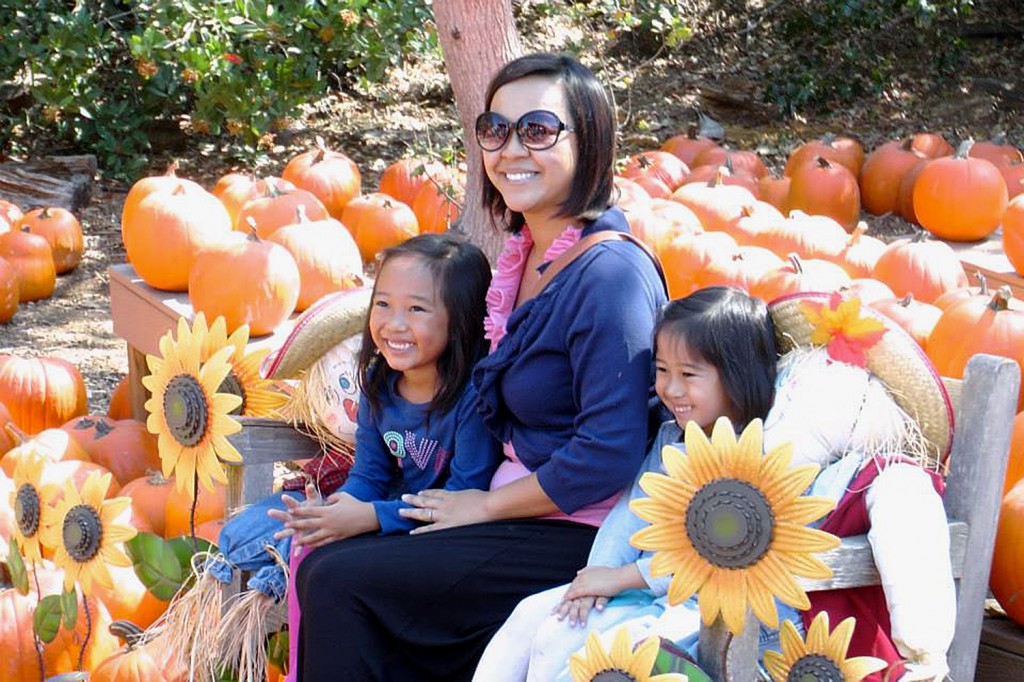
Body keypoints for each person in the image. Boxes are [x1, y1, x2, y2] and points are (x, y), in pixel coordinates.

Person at [288, 51, 667, 681]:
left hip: (576, 531)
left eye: (538, 129)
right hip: (503, 504)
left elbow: (610, 450)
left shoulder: (610, 276)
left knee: (342, 582)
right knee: (325, 560)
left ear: (590, 141)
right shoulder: (526, 257)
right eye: (495, 129)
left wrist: (479, 508)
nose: (511, 148)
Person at [182, 232, 501, 681]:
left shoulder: (471, 399)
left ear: (462, 320)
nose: (393, 323)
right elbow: (369, 473)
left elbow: (462, 497)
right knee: (275, 533)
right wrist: (339, 510)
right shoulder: (379, 383)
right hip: (388, 507)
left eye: (417, 309)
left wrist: (369, 517)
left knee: (329, 563)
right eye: (383, 304)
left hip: (443, 535)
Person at [472, 286, 779, 681]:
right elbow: (631, 511)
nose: (670, 389)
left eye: (688, 374)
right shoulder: (673, 438)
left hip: (704, 610)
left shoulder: (751, 463)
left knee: (601, 656)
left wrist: (619, 579)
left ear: (738, 374)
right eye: (662, 371)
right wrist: (596, 577)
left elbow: (714, 560)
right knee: (535, 618)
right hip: (641, 591)